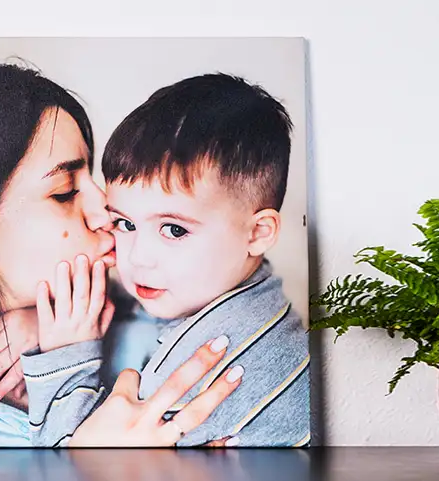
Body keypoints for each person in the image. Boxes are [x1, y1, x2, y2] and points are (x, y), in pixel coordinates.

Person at [21, 73, 310, 447]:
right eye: (124, 223)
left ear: (257, 233)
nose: (137, 258)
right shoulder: (254, 301)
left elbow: (70, 456)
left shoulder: (204, 364)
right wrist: (32, 317)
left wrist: (64, 355)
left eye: (174, 230)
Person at [0, 62, 244, 447]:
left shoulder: (165, 327)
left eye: (93, 180)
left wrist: (49, 333)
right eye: (65, 191)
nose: (106, 211)